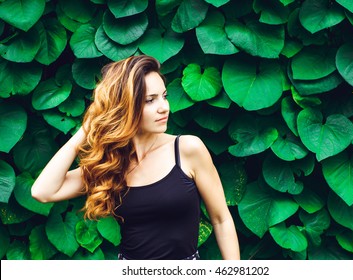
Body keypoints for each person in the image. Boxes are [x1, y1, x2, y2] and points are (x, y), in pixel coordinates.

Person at [31, 55, 240, 260]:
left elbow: (221, 220)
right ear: (124, 107)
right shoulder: (110, 163)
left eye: (164, 96)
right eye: (150, 100)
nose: (164, 107)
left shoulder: (187, 149)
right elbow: (43, 191)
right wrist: (87, 129)